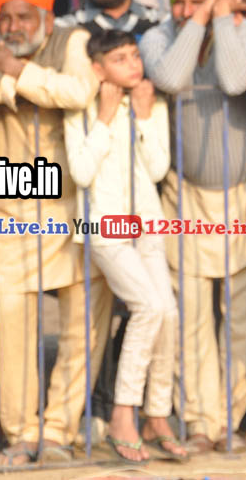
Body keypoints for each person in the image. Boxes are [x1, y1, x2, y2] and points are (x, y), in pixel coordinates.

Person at [0, 0, 110, 465]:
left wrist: (16, 73)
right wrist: (21, 84)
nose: (14, 26)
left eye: (25, 16)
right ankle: (21, 434)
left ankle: (59, 430)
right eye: (6, 16)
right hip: (8, 210)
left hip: (72, 208)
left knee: (84, 325)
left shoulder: (72, 40)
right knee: (12, 328)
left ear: (46, 16)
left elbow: (79, 92)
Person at [139, 0, 246, 453]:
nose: (184, 10)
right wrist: (200, 19)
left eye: (196, 0)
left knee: (243, 319)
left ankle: (229, 422)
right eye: (180, 1)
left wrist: (220, 20)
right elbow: (172, 78)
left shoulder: (244, 31)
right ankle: (200, 422)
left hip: (245, 194)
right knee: (191, 317)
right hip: (186, 197)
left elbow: (235, 81)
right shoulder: (158, 37)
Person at [63, 29, 188, 464]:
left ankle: (157, 415)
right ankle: (122, 414)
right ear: (98, 69)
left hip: (148, 223)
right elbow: (80, 172)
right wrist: (104, 117)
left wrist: (143, 117)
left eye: (135, 55)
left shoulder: (151, 104)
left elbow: (157, 169)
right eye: (120, 59)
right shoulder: (81, 109)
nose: (134, 64)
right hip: (104, 227)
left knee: (168, 313)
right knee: (149, 307)